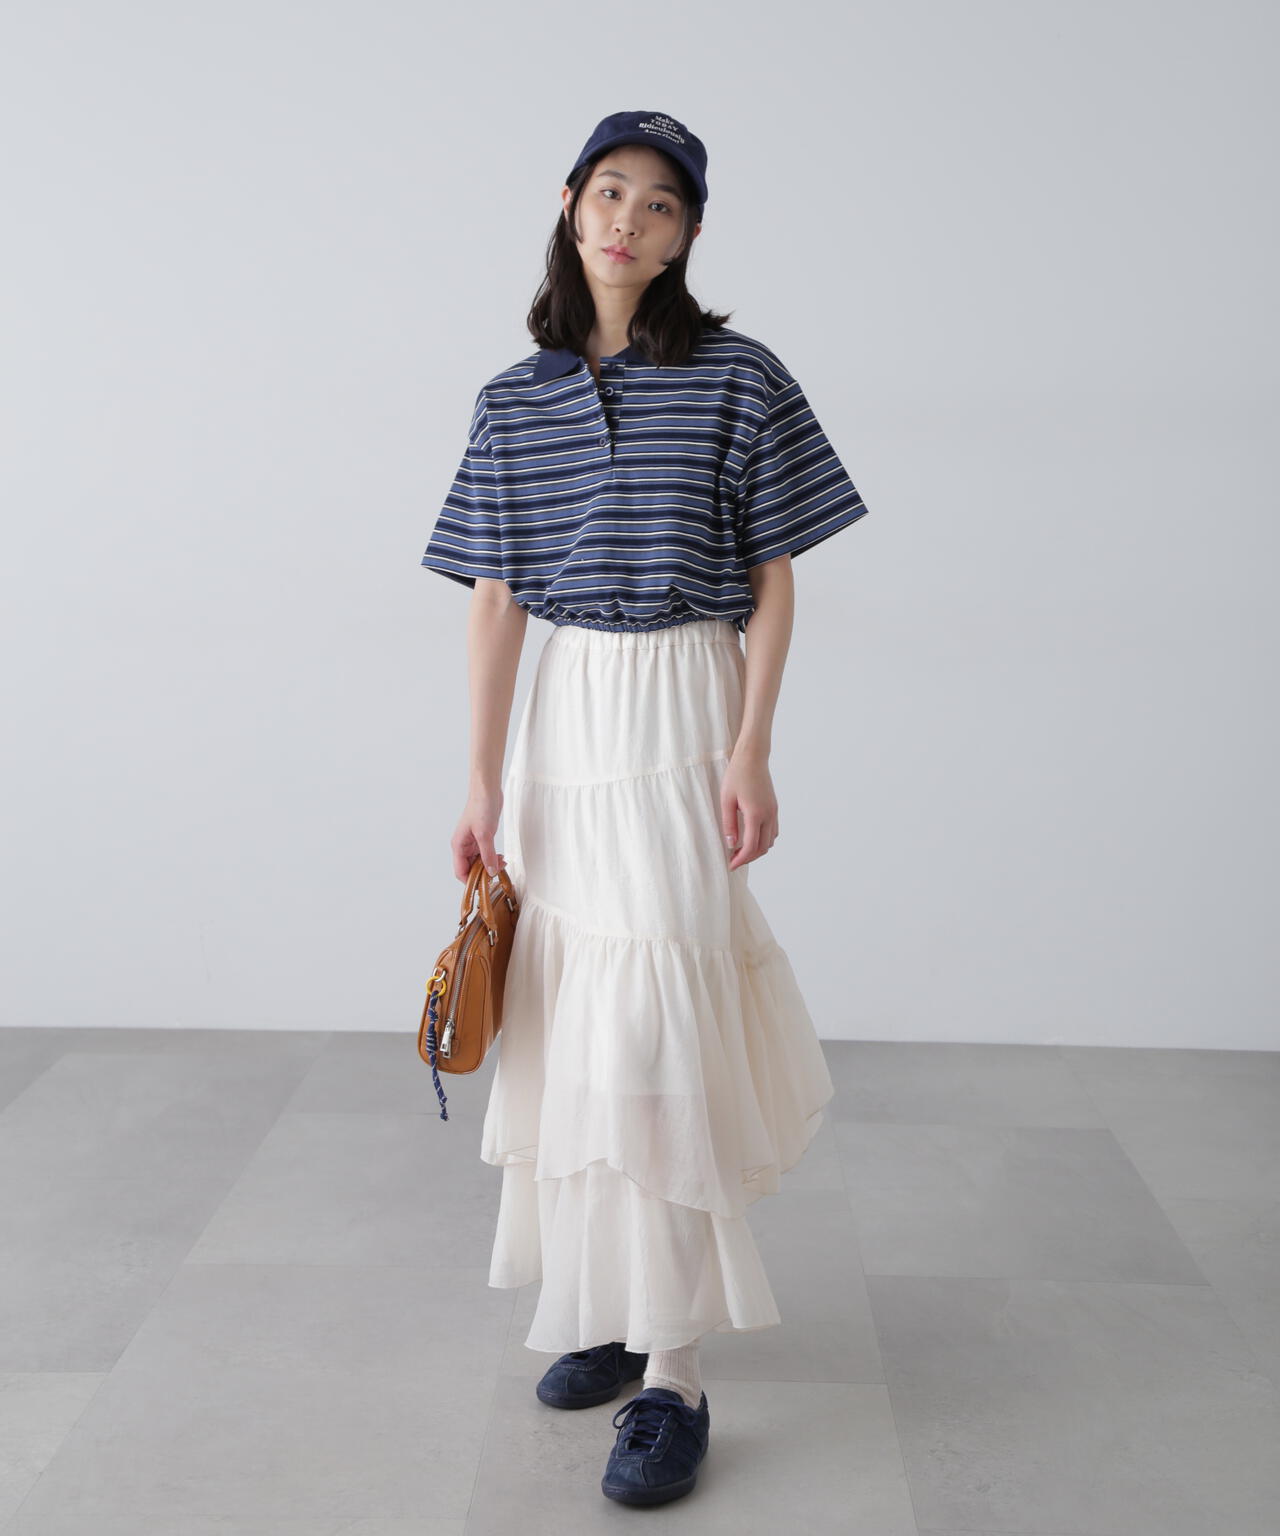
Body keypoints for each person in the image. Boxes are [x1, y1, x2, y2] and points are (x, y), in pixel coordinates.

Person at [420, 109, 871, 1508]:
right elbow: (496, 598)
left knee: (656, 1017)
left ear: (686, 235)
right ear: (570, 205)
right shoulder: (515, 397)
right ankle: (614, 1312)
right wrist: (482, 776)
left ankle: (676, 1373)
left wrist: (752, 747)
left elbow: (777, 573)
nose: (628, 219)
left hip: (683, 702)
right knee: (572, 1016)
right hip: (566, 718)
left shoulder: (739, 376)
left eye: (660, 203)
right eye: (609, 192)